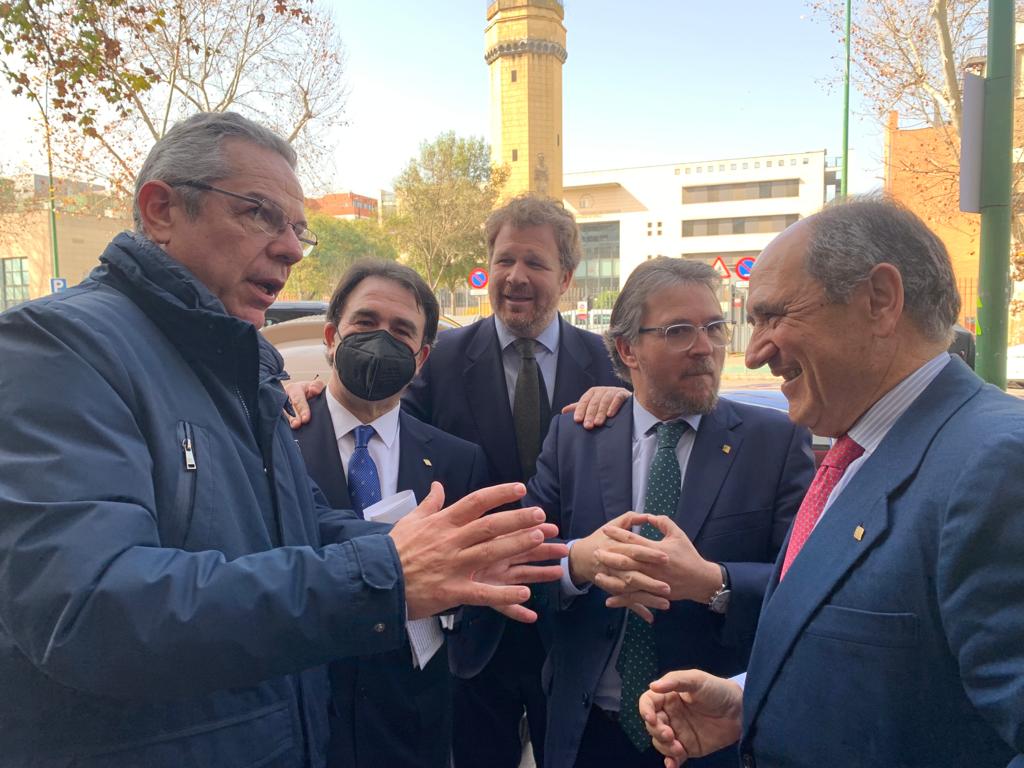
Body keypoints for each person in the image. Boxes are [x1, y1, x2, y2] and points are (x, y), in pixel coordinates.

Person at [0, 111, 565, 767]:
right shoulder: (60, 348)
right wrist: (386, 573)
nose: (294, 248)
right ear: (160, 211)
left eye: (297, 229)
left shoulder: (241, 371)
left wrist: (446, 554)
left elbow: (291, 530)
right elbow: (91, 608)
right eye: (260, 215)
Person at [638, 197, 1024, 768]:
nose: (756, 350)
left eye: (773, 316)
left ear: (880, 301)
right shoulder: (862, 449)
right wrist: (750, 698)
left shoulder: (994, 466)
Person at [286, 194, 623, 768]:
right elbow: (372, 406)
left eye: (535, 263)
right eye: (504, 260)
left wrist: (628, 399)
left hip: (575, 623)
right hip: (466, 640)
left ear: (565, 277)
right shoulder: (438, 359)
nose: (516, 277)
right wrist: (303, 394)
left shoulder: (611, 365)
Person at [526, 258, 813, 768]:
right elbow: (521, 566)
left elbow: (809, 586)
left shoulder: (776, 443)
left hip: (707, 737)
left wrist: (711, 582)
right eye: (679, 330)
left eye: (714, 327)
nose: (705, 347)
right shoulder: (574, 437)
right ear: (627, 349)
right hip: (586, 732)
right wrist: (578, 563)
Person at [292, 260, 494, 768]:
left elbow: (479, 593)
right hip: (304, 714)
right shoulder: (278, 438)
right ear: (332, 335)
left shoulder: (457, 461)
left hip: (412, 721)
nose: (382, 339)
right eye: (365, 323)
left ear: (422, 357)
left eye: (401, 331)